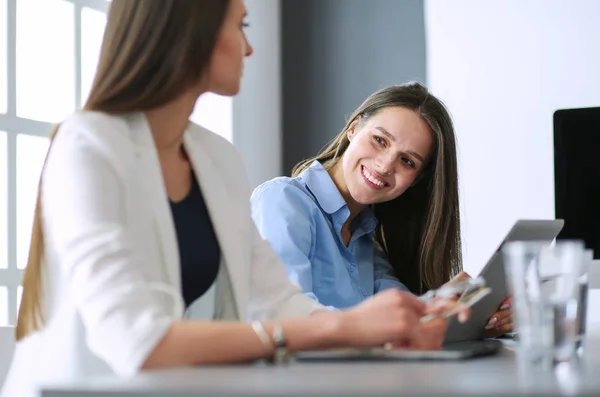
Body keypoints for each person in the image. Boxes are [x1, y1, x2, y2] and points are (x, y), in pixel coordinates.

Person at [0, 2, 466, 397]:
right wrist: (346, 328)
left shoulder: (216, 158)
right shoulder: (89, 144)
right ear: (192, 32)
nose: (249, 47)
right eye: (240, 26)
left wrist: (419, 317)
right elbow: (136, 341)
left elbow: (280, 303)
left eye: (408, 162)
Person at [251, 83, 511, 336]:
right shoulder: (282, 200)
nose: (386, 165)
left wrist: (470, 315)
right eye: (380, 140)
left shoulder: (367, 241)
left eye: (407, 161)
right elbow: (284, 316)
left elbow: (406, 318)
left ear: (417, 179)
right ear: (354, 128)